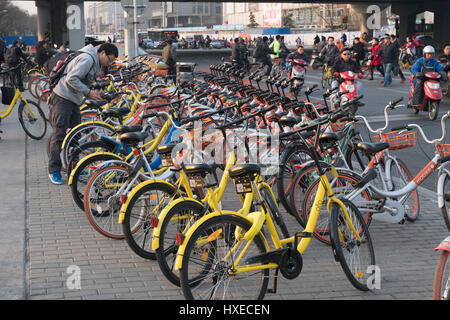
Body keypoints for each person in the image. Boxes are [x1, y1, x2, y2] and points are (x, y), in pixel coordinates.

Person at [48, 42, 118, 185]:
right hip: (63, 98)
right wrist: (88, 92)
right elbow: (71, 79)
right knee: (60, 134)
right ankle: (53, 170)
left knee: (75, 135)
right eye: (109, 59)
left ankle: (74, 167)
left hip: (72, 100)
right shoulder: (87, 59)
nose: (108, 63)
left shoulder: (92, 60)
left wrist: (96, 93)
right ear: (102, 53)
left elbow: (82, 81)